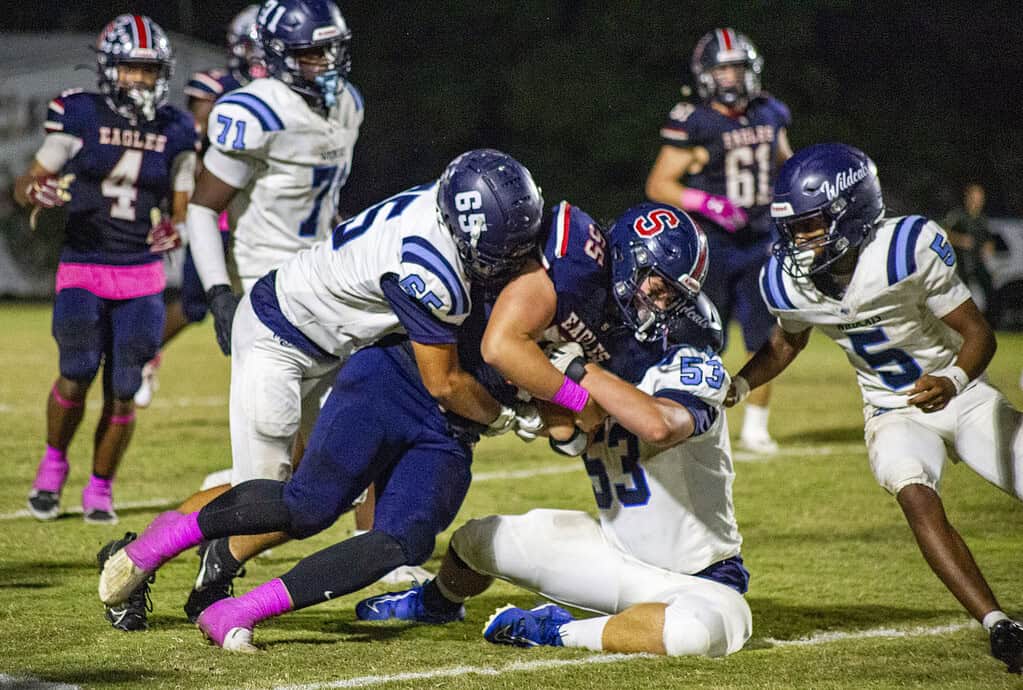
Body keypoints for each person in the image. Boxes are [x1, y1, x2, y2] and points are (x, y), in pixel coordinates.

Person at [97, 148, 546, 633]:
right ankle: (136, 551)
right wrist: (507, 415)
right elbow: (443, 382)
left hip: (330, 344)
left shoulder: (440, 207)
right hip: (281, 335)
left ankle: (219, 562)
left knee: (321, 492)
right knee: (269, 490)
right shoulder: (430, 263)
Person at [356, 204, 751, 659]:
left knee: (696, 635)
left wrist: (577, 371)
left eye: (672, 300)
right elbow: (569, 435)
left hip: (699, 580)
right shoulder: (604, 357)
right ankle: (433, 605)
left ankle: (557, 632)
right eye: (659, 290)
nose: (660, 309)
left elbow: (658, 425)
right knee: (475, 542)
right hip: (614, 558)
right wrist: (545, 397)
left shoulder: (694, 368)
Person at [727, 142, 1023, 673]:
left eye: (811, 225)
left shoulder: (906, 247)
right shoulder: (788, 278)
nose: (798, 239)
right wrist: (739, 387)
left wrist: (953, 379)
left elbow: (977, 333)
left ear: (851, 211)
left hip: (963, 395)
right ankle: (999, 625)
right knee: (914, 494)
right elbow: (786, 342)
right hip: (891, 409)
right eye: (793, 226)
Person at [15, 15, 198, 524]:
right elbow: (30, 179)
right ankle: (52, 469)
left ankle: (100, 486)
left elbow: (181, 203)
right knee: (75, 372)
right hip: (84, 265)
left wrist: (177, 226)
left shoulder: (176, 127)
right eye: (130, 70)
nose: (139, 80)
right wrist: (36, 191)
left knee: (123, 387)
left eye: (148, 70)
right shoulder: (80, 113)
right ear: (108, 69)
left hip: (141, 275)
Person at [645, 27, 792, 454]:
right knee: (702, 337)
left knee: (767, 337)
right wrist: (706, 202)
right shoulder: (695, 121)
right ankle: (694, 417)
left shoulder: (770, 113)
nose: (730, 78)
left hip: (762, 243)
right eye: (722, 69)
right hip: (710, 249)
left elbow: (787, 165)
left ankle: (757, 427)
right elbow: (659, 184)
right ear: (706, 74)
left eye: (737, 68)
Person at [134, 4, 266, 408]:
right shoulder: (216, 88)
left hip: (263, 213)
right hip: (218, 211)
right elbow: (198, 144)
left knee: (266, 300)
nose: (264, 60)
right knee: (195, 304)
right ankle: (142, 357)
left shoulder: (289, 95)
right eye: (257, 49)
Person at [943, 183, 995, 314]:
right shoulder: (957, 215)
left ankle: (989, 321)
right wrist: (960, 240)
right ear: (968, 197)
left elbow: (988, 239)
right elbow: (944, 234)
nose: (978, 201)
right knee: (961, 294)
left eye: (980, 198)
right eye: (975, 197)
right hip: (960, 263)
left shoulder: (982, 219)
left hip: (977, 262)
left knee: (989, 289)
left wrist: (988, 246)